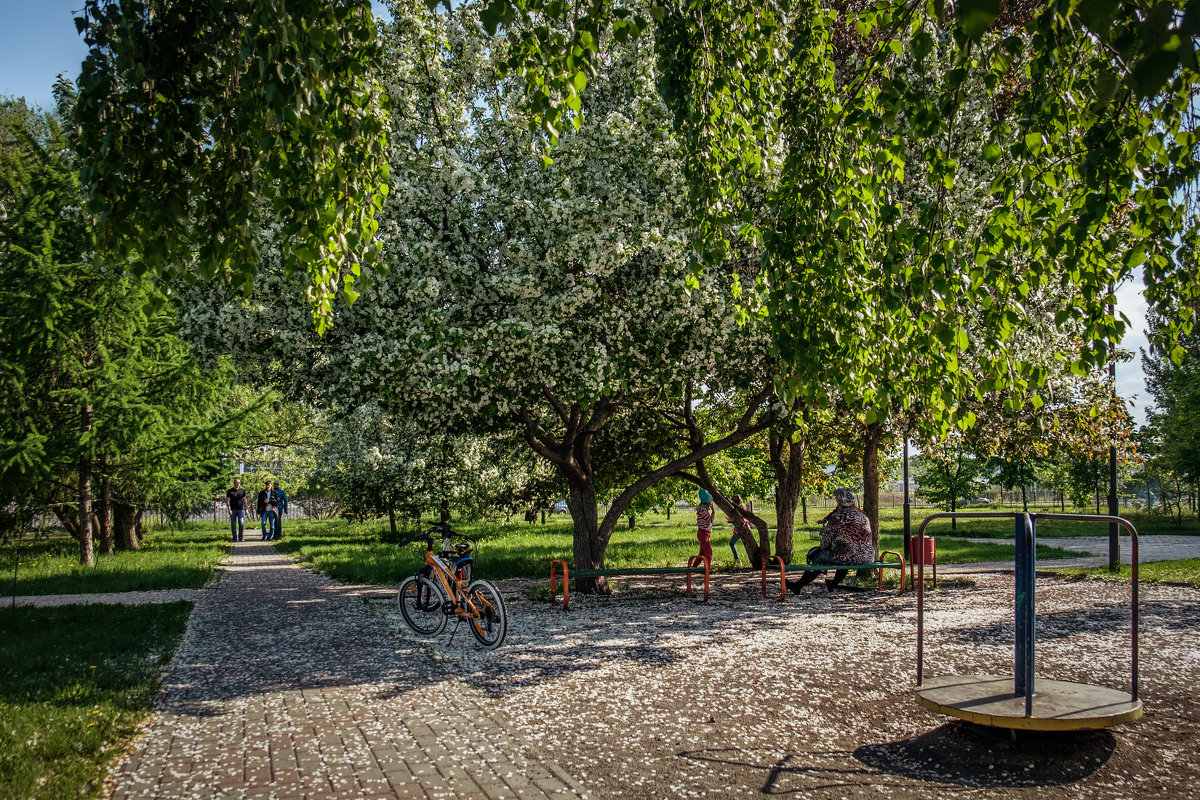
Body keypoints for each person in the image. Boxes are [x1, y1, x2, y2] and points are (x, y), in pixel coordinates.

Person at [787, 487, 874, 594]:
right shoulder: (863, 516)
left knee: (819, 558)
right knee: (844, 556)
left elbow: (824, 544)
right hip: (867, 557)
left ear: (838, 500)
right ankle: (833, 583)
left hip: (849, 557)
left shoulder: (837, 517)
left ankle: (798, 586)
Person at [727, 494, 751, 564]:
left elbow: (738, 519)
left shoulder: (735, 509)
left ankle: (737, 559)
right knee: (747, 544)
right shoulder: (742, 507)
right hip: (746, 527)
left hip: (740, 529)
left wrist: (731, 520)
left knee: (732, 543)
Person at [225, 477, 247, 542]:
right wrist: (229, 509)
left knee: (241, 522)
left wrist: (246, 509)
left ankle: (241, 537)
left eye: (239, 483)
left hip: (240, 509)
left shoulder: (242, 491)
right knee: (233, 524)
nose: (237, 484)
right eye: (236, 483)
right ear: (234, 483)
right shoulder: (230, 491)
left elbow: (244, 500)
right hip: (233, 509)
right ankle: (234, 537)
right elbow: (228, 501)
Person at [696, 489, 714, 564]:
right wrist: (713, 511)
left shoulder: (703, 509)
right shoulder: (703, 510)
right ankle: (707, 569)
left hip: (705, 533)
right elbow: (710, 520)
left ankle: (692, 568)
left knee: (702, 553)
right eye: (710, 501)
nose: (711, 503)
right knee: (709, 552)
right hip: (703, 533)